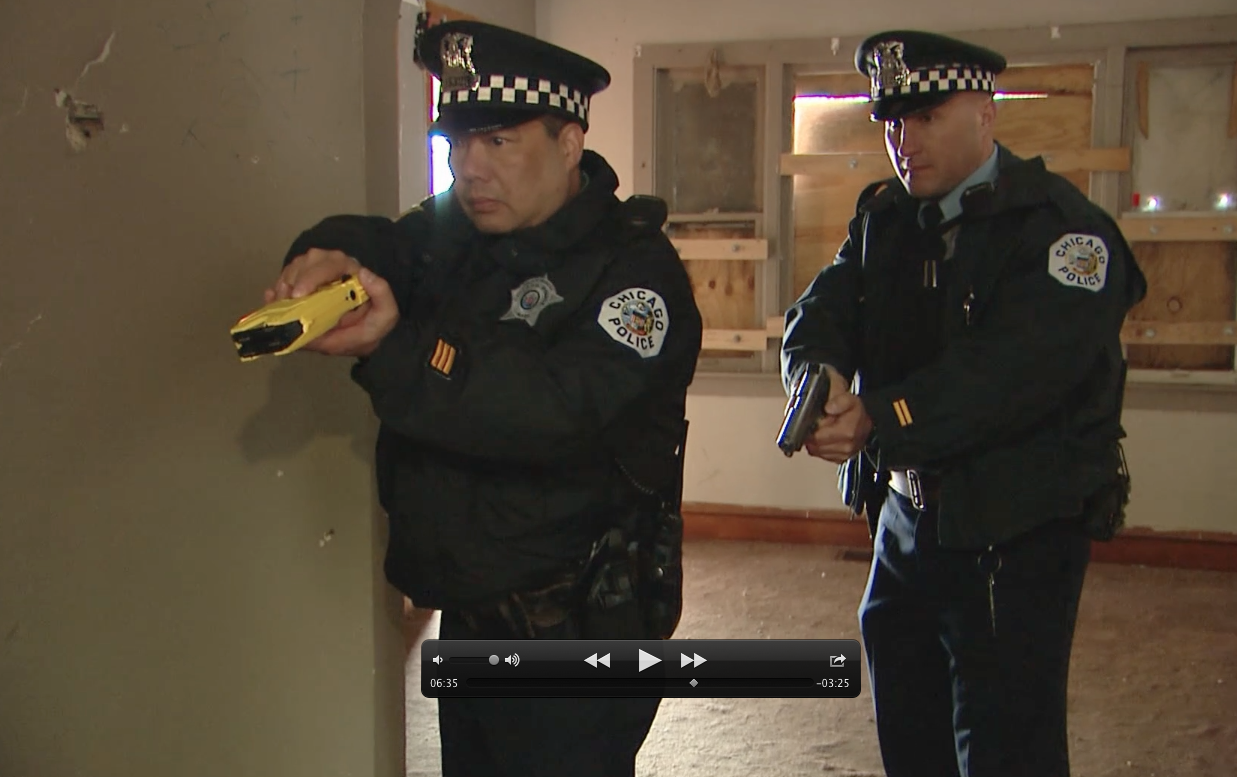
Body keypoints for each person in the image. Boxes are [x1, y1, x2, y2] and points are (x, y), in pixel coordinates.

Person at [262, 19, 702, 777]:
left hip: (576, 632)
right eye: (458, 142)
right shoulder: (462, 230)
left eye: (497, 141)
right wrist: (326, 254)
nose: (470, 168)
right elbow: (383, 241)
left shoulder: (634, 275)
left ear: (569, 143)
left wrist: (396, 351)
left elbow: (550, 412)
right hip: (473, 612)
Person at [779, 29, 1147, 777]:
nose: (902, 139)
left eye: (924, 115)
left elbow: (1012, 371)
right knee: (912, 735)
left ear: (986, 111)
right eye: (890, 121)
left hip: (1015, 531)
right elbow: (823, 309)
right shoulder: (889, 219)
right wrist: (816, 376)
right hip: (907, 522)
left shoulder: (1064, 233)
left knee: (1009, 742)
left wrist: (882, 413)